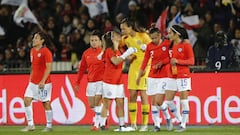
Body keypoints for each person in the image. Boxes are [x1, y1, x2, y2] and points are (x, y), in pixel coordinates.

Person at [99, 30, 137, 132]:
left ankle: (122, 126)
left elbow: (126, 58)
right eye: (117, 35)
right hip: (109, 81)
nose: (119, 36)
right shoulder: (109, 51)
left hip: (118, 81)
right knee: (107, 103)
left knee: (120, 103)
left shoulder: (119, 49)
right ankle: (102, 124)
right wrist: (127, 53)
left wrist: (136, 52)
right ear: (112, 38)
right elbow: (116, 61)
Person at [136, 28, 173, 132]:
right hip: (152, 76)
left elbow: (171, 57)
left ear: (160, 35)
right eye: (152, 38)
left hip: (164, 76)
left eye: (155, 37)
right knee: (153, 102)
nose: (154, 40)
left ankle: (168, 118)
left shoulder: (167, 44)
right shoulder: (149, 46)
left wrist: (162, 63)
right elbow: (145, 61)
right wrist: (139, 76)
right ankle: (157, 124)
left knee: (159, 101)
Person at [120, 18, 152, 131]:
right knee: (132, 95)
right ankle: (133, 124)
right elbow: (117, 47)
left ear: (130, 27)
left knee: (143, 96)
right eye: (121, 29)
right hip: (133, 68)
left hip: (145, 67)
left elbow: (153, 49)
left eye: (124, 28)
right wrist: (127, 57)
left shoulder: (143, 36)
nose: (122, 31)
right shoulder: (125, 39)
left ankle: (145, 124)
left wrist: (148, 49)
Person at [164, 25, 195, 132]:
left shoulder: (186, 45)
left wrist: (178, 61)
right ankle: (180, 119)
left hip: (183, 75)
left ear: (177, 34)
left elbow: (191, 61)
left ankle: (183, 124)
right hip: (171, 76)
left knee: (184, 101)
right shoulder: (170, 45)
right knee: (168, 101)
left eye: (170, 33)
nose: (168, 35)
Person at [21, 32, 53, 132]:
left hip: (44, 83)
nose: (33, 40)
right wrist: (30, 77)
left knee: (46, 103)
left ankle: (49, 125)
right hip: (33, 82)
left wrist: (43, 81)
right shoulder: (32, 51)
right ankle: (31, 124)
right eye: (34, 38)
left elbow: (48, 68)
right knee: (26, 100)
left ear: (42, 41)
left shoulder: (46, 52)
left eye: (36, 38)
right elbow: (33, 66)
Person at [75, 30, 104, 131]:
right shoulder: (86, 53)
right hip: (91, 82)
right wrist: (77, 82)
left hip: (102, 81)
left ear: (100, 41)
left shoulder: (105, 52)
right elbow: (82, 68)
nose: (94, 42)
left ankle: (96, 124)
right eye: (92, 40)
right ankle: (104, 115)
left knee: (97, 102)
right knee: (92, 105)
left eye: (96, 40)